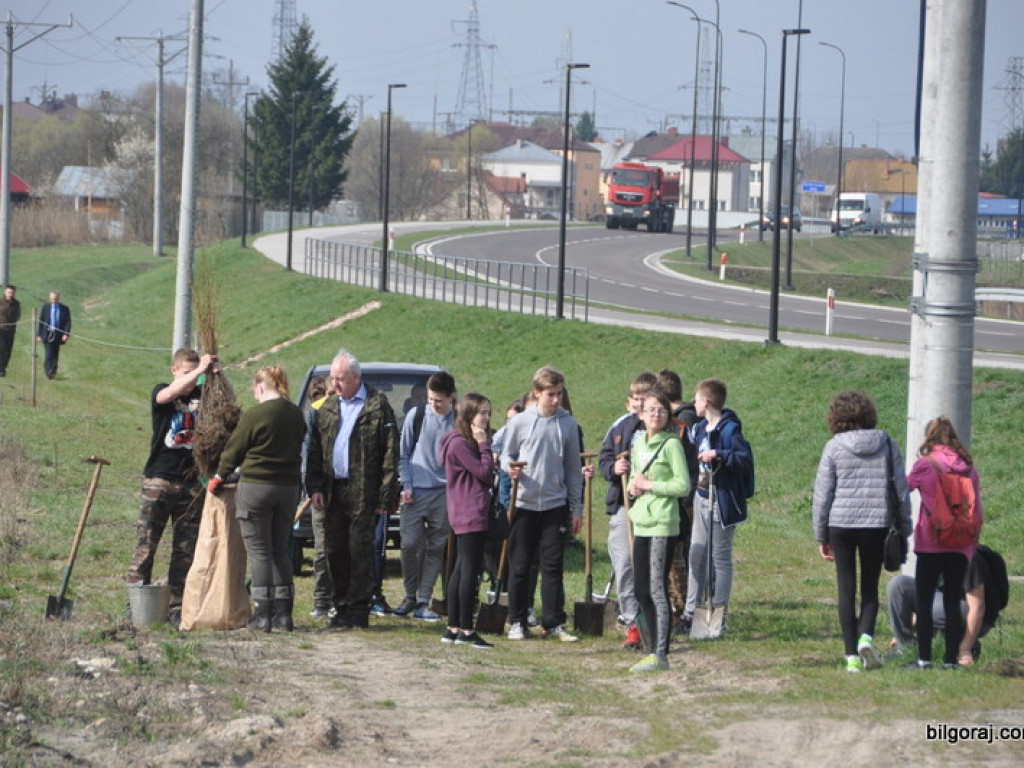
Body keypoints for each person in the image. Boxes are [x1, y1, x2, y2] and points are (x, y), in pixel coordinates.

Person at [812, 390, 912, 673]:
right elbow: (900, 490)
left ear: (836, 418)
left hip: (840, 524)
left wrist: (822, 535)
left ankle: (850, 657)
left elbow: (823, 495)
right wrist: (905, 527)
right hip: (876, 523)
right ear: (868, 414)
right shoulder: (887, 443)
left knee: (846, 589)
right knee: (870, 587)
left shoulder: (833, 447)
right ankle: (865, 636)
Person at [306, 349, 400, 629]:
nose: (335, 383)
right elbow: (314, 451)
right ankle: (340, 605)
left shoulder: (377, 405)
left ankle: (359, 607)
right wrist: (314, 487)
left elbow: (390, 452)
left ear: (356, 377)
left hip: (364, 491)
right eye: (333, 378)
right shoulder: (327, 407)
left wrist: (386, 495)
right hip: (333, 489)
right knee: (334, 550)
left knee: (359, 550)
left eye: (341, 378)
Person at [209, 366, 306, 632]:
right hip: (288, 489)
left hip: (256, 487)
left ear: (261, 386)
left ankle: (262, 616)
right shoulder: (297, 414)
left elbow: (235, 449)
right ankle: (284, 616)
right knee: (279, 550)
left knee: (260, 552)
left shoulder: (255, 414)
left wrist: (219, 476)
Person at [126, 348, 219, 623]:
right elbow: (167, 395)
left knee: (185, 551)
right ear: (174, 370)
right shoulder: (163, 391)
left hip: (192, 485)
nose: (191, 379)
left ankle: (178, 608)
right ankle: (136, 604)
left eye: (194, 372)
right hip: (160, 480)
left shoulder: (203, 398)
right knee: (146, 544)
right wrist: (198, 371)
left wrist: (216, 377)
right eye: (186, 372)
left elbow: (226, 409)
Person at [500, 365, 584, 642]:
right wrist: (510, 468)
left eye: (559, 394)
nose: (557, 399)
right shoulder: (520, 422)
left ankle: (554, 622)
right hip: (523, 502)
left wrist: (576, 508)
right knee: (521, 564)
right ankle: (517, 620)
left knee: (552, 564)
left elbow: (573, 469)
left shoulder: (568, 424)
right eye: (551, 394)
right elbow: (504, 454)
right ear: (537, 393)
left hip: (554, 504)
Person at [903, 416, 984, 669]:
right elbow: (976, 508)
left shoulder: (926, 464)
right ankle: (950, 660)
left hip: (931, 541)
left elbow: (903, 488)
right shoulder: (969, 468)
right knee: (951, 599)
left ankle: (924, 658)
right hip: (960, 544)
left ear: (930, 437)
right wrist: (970, 546)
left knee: (924, 601)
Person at [626, 390, 689, 672]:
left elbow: (682, 486)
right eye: (651, 410)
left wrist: (651, 486)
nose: (656, 415)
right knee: (640, 589)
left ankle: (661, 653)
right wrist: (632, 486)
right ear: (641, 414)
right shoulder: (639, 443)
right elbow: (633, 478)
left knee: (656, 587)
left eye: (661, 411)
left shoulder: (672, 444)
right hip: (641, 520)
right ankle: (650, 647)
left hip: (664, 522)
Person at [685, 378, 753, 635]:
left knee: (719, 557)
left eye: (697, 399)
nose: (694, 403)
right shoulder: (701, 427)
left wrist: (718, 455)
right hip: (701, 497)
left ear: (708, 401)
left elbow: (743, 459)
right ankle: (691, 611)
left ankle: (719, 613)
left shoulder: (729, 429)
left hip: (721, 499)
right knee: (696, 552)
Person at [598, 371, 656, 650]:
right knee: (624, 564)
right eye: (635, 400)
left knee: (651, 568)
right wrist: (614, 468)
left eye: (644, 400)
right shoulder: (622, 427)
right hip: (624, 504)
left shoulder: (665, 430)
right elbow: (604, 459)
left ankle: (654, 623)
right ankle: (632, 623)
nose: (639, 406)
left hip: (655, 507)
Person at [394, 371, 457, 621]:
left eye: (439, 400)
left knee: (435, 547)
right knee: (409, 544)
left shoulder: (460, 421)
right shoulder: (416, 415)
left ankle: (423, 600)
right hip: (416, 492)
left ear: (451, 398)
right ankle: (409, 595)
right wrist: (407, 484)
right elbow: (404, 454)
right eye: (431, 399)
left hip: (445, 494)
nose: (434, 404)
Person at [438, 392, 496, 649]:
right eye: (482, 413)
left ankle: (453, 627)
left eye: (488, 413)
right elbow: (484, 474)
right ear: (469, 415)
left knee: (462, 567)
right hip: (469, 510)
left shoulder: (459, 442)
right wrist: (484, 447)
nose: (486, 418)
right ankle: (465, 629)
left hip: (465, 509)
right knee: (468, 570)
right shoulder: (461, 443)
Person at [887, 544, 1004, 666]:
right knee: (898, 585)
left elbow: (978, 607)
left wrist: (965, 650)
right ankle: (904, 647)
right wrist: (902, 630)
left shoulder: (968, 558)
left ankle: (965, 643)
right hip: (949, 606)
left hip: (973, 616)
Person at [655, 369, 699, 634]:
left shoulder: (681, 424)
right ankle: (680, 607)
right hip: (687, 495)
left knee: (677, 557)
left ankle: (681, 609)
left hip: (682, 498)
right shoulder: (690, 416)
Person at [301, 375, 336, 620]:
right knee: (323, 548)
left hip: (345, 491)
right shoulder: (313, 414)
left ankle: (339, 600)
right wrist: (313, 488)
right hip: (322, 491)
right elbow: (309, 454)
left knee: (341, 548)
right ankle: (322, 601)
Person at [36, 290, 71, 380]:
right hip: (47, 333)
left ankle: (53, 371)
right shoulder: (46, 307)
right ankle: (48, 371)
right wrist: (38, 334)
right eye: (52, 299)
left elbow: (68, 322)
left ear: (59, 298)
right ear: (49, 298)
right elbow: (41, 321)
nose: (54, 300)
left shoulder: (64, 309)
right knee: (49, 353)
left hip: (58, 334)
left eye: (55, 299)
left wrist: (66, 334)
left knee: (55, 354)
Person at [0, 284, 20, 377]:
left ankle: (4, 366)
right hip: (1, 329)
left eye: (12, 293)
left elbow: (18, 315)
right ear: (5, 292)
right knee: (2, 348)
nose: (10, 294)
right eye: (9, 292)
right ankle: (1, 369)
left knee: (8, 349)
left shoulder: (16, 303)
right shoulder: (0, 301)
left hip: (11, 330)